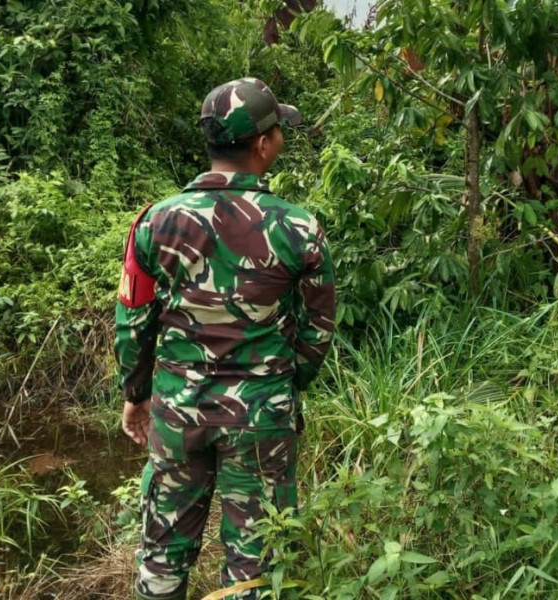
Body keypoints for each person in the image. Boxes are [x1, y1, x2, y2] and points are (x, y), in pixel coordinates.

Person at [115, 78, 336, 600]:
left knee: (163, 552)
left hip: (177, 411)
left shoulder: (155, 222)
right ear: (262, 144)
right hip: (262, 415)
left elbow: (133, 320)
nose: (280, 138)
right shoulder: (299, 228)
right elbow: (318, 327)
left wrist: (136, 393)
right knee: (254, 565)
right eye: (278, 129)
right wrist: (282, 381)